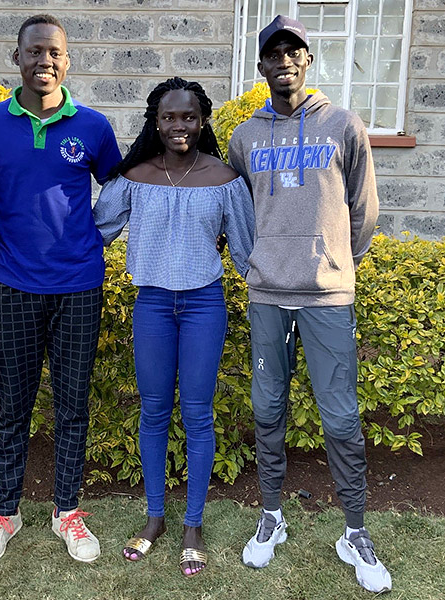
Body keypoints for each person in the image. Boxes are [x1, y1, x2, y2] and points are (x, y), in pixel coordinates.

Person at [227, 15, 391, 593]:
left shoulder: (343, 124)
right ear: (262, 67)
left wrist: (336, 261)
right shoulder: (246, 137)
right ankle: (271, 517)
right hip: (268, 292)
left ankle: (354, 530)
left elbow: (364, 209)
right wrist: (256, 261)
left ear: (308, 60)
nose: (285, 61)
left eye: (294, 51)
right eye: (274, 54)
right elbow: (240, 211)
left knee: (341, 414)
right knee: (267, 407)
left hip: (327, 295)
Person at [0, 14, 121, 565]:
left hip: (79, 285)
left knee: (72, 405)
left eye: (54, 52)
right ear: (17, 58)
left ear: (67, 60)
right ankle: (5, 512)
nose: (44, 62)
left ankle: (67, 510)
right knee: (13, 404)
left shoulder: (95, 127)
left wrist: (94, 235)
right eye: (34, 52)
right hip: (11, 286)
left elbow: (120, 186)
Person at [93, 77, 255, 577]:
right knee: (155, 412)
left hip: (205, 304)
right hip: (154, 307)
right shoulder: (134, 177)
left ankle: (193, 524)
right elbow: (95, 231)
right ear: (155, 122)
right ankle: (155, 518)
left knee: (198, 414)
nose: (178, 126)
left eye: (188, 117)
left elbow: (249, 255)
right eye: (169, 117)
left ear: (203, 121)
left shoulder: (226, 180)